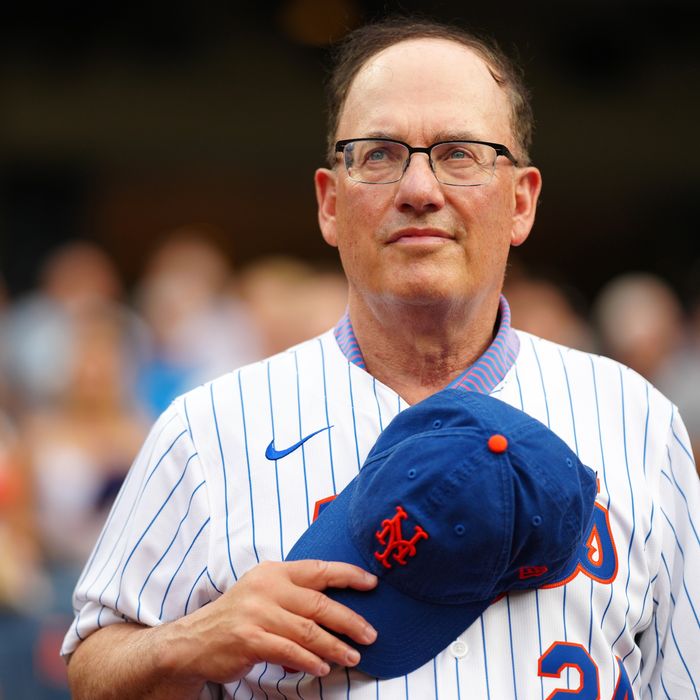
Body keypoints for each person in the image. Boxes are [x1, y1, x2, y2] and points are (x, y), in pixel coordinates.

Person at [63, 17, 699, 699]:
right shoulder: (208, 429)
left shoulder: (637, 421)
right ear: (330, 204)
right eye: (379, 154)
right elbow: (93, 667)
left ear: (521, 202)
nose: (419, 189)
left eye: (460, 153)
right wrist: (192, 640)